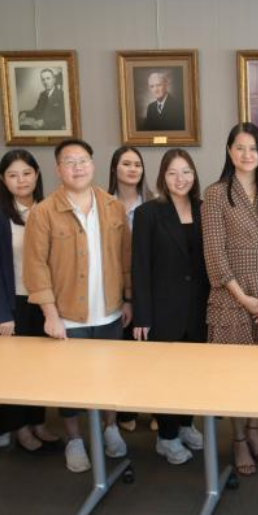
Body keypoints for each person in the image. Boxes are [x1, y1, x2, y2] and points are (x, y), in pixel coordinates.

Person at [23, 139, 131, 473]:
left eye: (83, 160)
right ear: (58, 169)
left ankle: (110, 427)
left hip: (111, 310)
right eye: (70, 161)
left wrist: (128, 298)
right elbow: (35, 267)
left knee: (111, 377)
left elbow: (125, 256)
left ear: (93, 165)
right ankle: (74, 439)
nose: (78, 167)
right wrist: (50, 315)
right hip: (68, 316)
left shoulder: (112, 206)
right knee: (70, 384)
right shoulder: (43, 212)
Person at [202, 123, 258, 477]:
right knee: (234, 373)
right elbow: (214, 251)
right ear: (229, 151)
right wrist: (242, 297)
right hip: (231, 292)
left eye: (253, 148)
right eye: (239, 148)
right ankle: (237, 438)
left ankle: (254, 429)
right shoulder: (217, 192)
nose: (246, 155)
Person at [0, 150, 62, 454]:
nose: (21, 180)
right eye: (13, 175)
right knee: (17, 372)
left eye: (26, 173)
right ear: (3, 180)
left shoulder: (50, 208)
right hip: (12, 305)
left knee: (42, 369)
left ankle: (38, 422)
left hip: (44, 302)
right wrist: (2, 313)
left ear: (37, 175)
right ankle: (21, 428)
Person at [132, 149, 211, 464]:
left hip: (199, 308)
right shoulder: (148, 213)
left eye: (186, 172)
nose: (181, 179)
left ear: (194, 175)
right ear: (162, 177)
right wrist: (143, 314)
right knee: (164, 376)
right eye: (172, 173)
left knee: (193, 374)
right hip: (163, 309)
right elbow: (140, 266)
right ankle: (165, 436)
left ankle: (186, 423)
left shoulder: (206, 209)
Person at [107, 146, 156, 432]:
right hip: (115, 286)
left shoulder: (152, 202)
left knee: (148, 351)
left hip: (147, 284)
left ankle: (154, 409)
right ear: (115, 168)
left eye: (137, 164)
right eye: (126, 164)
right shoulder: (103, 202)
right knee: (122, 350)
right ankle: (126, 409)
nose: (133, 169)